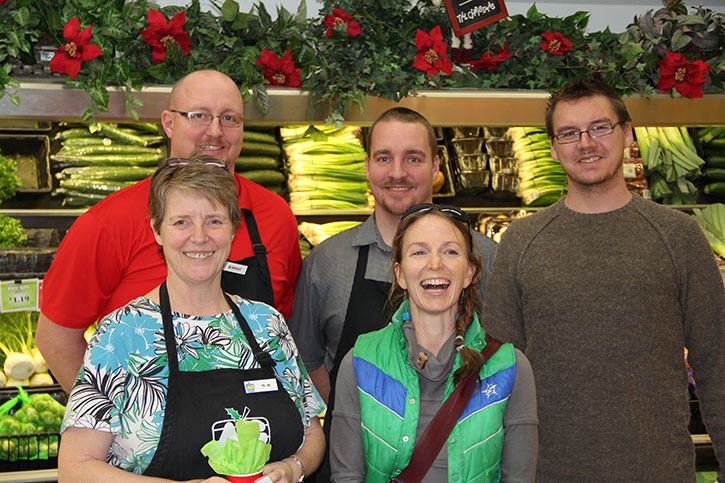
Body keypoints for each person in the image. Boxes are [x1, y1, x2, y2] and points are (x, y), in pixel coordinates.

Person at [481, 77, 725, 481]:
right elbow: (496, 374)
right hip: (548, 474)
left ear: (627, 133)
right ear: (554, 147)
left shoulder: (678, 236)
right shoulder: (521, 241)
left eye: (599, 127)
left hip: (659, 471)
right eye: (569, 133)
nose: (586, 143)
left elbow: (717, 362)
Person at [58, 156, 325, 482]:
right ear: (157, 230)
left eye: (214, 221)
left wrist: (293, 467)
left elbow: (312, 433)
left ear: (233, 230)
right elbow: (75, 469)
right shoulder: (122, 335)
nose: (199, 237)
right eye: (181, 222)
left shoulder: (267, 324)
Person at [36, 69, 302, 393]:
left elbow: (279, 333)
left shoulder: (276, 217)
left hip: (252, 433)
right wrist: (112, 420)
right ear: (168, 122)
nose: (215, 132)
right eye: (199, 115)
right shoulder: (107, 223)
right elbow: (56, 338)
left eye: (230, 118)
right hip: (147, 438)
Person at [289, 107, 499, 404]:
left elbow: (504, 360)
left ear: (436, 166)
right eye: (384, 158)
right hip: (355, 446)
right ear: (367, 167)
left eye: (413, 158)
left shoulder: (485, 257)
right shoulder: (327, 262)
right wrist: (355, 416)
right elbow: (307, 361)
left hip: (460, 445)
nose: (397, 172)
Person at [330, 203, 538, 482]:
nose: (435, 264)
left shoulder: (509, 368)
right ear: (399, 274)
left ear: (470, 273)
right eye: (419, 252)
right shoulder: (360, 362)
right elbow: (346, 476)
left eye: (450, 251)